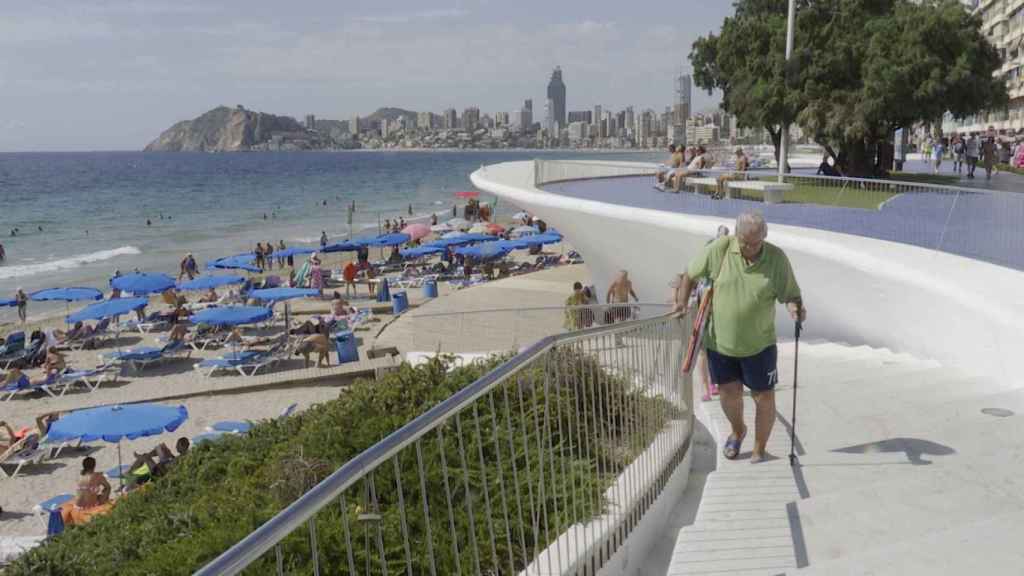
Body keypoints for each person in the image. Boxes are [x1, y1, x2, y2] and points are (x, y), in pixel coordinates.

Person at [673, 211, 805, 463]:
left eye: (757, 242)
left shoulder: (776, 258)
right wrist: (681, 303)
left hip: (760, 344)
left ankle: (759, 448)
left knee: (763, 396)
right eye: (745, 242)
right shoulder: (720, 250)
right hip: (721, 344)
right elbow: (690, 274)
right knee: (728, 394)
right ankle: (737, 430)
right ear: (736, 235)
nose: (751, 248)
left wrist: (794, 308)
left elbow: (791, 294)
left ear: (764, 237)